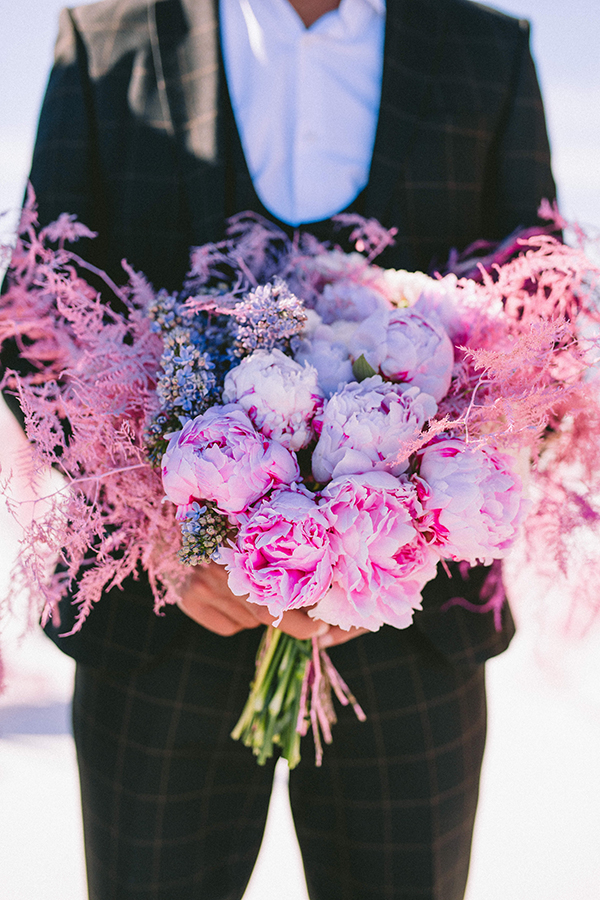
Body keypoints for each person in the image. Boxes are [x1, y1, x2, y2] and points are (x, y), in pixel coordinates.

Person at [5, 0, 556, 897]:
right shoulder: (105, 39)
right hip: (160, 632)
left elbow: (541, 334)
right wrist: (163, 543)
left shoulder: (486, 49)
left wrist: (381, 548)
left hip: (411, 649)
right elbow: (35, 320)